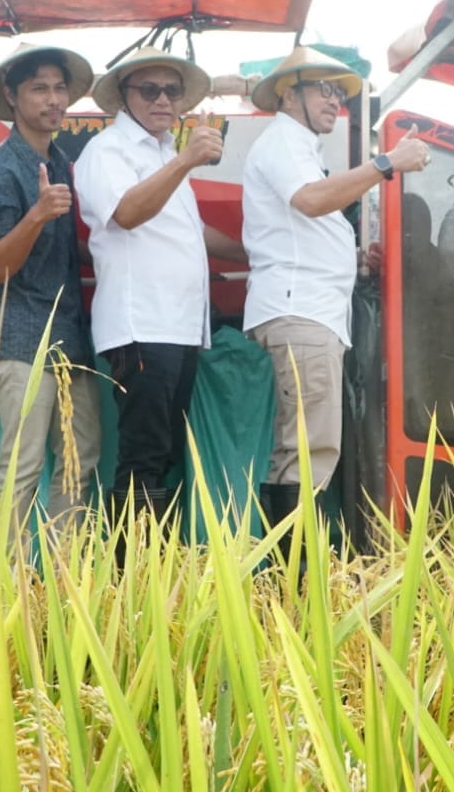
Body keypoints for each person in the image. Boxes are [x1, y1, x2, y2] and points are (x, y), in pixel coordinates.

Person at [242, 47, 429, 531]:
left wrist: (349, 258)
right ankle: (296, 584)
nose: (334, 101)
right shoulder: (284, 140)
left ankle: (294, 577)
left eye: (339, 93)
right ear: (288, 94)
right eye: (323, 89)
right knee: (308, 450)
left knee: (306, 448)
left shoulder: (297, 144)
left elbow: (299, 224)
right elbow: (309, 200)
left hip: (307, 311)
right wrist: (387, 162)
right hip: (302, 314)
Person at [74, 47, 246, 521]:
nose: (163, 100)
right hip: (143, 323)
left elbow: (190, 231)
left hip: (177, 325)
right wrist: (187, 160)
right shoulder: (107, 150)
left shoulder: (163, 151)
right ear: (124, 98)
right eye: (149, 90)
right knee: (145, 455)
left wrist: (254, 251)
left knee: (164, 453)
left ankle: (153, 575)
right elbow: (127, 213)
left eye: (172, 91)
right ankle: (130, 579)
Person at [0, 45, 103, 535]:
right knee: (21, 470)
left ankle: (66, 591)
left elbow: (67, 253)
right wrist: (38, 214)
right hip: (20, 336)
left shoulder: (62, 161)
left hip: (68, 335)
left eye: (60, 88)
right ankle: (0, 593)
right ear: (11, 95)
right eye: (39, 88)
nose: (54, 99)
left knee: (79, 463)